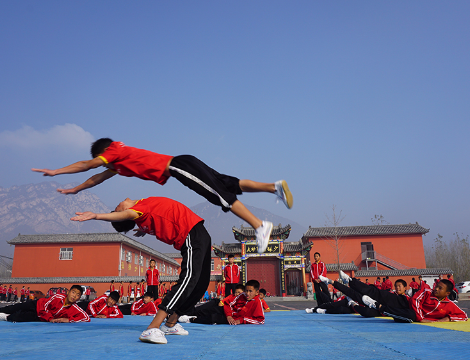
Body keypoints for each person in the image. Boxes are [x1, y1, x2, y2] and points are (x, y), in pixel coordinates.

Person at [32, 138, 294, 253]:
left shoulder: (112, 152)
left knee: (220, 197)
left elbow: (89, 166)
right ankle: (275, 188)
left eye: (101, 159)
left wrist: (57, 171)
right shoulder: (119, 161)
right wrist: (76, 189)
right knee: (229, 183)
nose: (102, 164)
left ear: (103, 152)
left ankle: (260, 226)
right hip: (183, 164)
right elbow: (97, 176)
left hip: (178, 167)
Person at [71, 196, 213, 344]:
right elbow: (127, 215)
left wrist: (146, 229)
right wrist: (96, 216)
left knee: (201, 283)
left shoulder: (142, 213)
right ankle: (152, 328)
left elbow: (156, 217)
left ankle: (171, 323)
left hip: (200, 231)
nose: (117, 204)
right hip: (189, 232)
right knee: (189, 279)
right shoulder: (138, 210)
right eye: (116, 210)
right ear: (124, 213)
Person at [0, 285, 89, 323]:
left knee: (19, 317)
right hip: (37, 306)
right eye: (73, 292)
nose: (74, 296)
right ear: (68, 292)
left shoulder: (75, 308)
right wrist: (51, 319)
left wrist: (67, 320)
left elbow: (86, 318)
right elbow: (44, 307)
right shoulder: (58, 297)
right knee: (12, 307)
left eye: (78, 295)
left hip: (41, 318)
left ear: (80, 297)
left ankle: (5, 317)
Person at [319, 273, 414, 322]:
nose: (397, 288)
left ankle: (352, 303)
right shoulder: (391, 294)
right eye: (396, 286)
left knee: (366, 312)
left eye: (400, 286)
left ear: (405, 287)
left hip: (382, 310)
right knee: (352, 294)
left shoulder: (406, 299)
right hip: (375, 301)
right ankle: (335, 282)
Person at [178, 280, 265, 325]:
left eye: (250, 291)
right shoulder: (241, 295)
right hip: (228, 313)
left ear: (257, 292)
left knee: (213, 318)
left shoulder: (257, 302)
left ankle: (190, 319)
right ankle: (180, 313)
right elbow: (228, 304)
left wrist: (241, 320)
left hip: (234, 320)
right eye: (246, 291)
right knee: (210, 308)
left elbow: (260, 321)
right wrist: (229, 315)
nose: (247, 293)